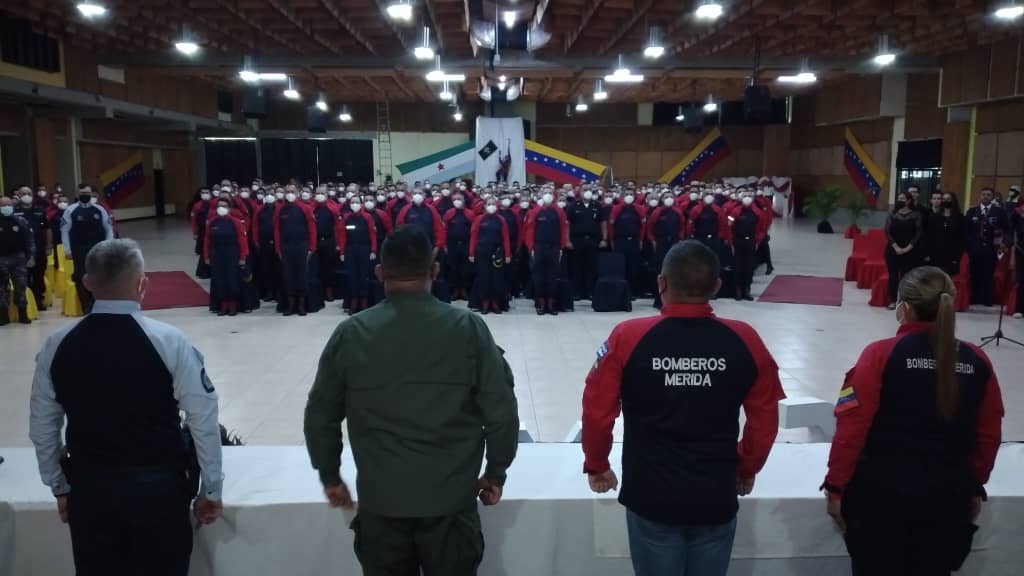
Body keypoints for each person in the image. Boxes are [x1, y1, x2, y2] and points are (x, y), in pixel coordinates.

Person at [303, 225, 519, 576]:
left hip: (382, 504)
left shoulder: (352, 333)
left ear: (379, 273)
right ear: (435, 270)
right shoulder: (468, 328)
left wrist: (330, 475)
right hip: (450, 503)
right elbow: (502, 411)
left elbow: (320, 415)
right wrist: (496, 473)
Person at [582, 240, 784, 576]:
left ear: (661, 283)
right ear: (716, 287)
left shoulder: (628, 337)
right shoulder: (745, 340)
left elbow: (596, 412)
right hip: (716, 494)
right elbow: (764, 421)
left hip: (651, 496)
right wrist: (746, 467)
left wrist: (597, 464)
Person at [29, 239, 224, 576]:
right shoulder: (169, 341)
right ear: (142, 284)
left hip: (91, 489)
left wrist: (59, 486)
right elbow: (202, 419)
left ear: (87, 283)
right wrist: (211, 489)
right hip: (159, 491)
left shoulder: (56, 344)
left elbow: (42, 426)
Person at [823, 266, 1004, 576]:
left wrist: (835, 487)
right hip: (948, 501)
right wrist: (974, 485)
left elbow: (851, 430)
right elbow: (989, 435)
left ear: (903, 309)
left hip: (880, 503)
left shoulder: (880, 355)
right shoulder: (977, 360)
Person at [61, 184, 114, 313]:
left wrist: (108, 246)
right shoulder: (70, 210)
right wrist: (67, 250)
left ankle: (98, 304)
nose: (85, 195)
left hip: (98, 249)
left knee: (99, 276)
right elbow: (64, 231)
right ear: (77, 194)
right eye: (82, 193)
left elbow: (109, 229)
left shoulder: (100, 210)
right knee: (81, 276)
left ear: (91, 194)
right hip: (79, 249)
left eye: (87, 193)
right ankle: (86, 306)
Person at [273, 187, 317, 316]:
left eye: (292, 192)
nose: (290, 194)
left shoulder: (305, 208)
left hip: (302, 246)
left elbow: (312, 229)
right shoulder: (280, 209)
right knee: (288, 276)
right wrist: (278, 248)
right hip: (286, 247)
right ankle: (291, 305)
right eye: (287, 192)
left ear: (297, 193)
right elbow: (277, 230)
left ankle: (301, 305)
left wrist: (311, 248)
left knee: (302, 275)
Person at [964, 187, 1009, 307]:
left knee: (988, 274)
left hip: (991, 248)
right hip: (974, 248)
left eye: (988, 195)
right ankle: (974, 298)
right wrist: (968, 246)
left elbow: (1007, 229)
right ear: (980, 196)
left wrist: (1004, 243)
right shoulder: (972, 211)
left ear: (992, 197)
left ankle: (987, 298)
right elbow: (966, 230)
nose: (985, 197)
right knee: (974, 273)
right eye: (983, 194)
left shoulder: (999, 212)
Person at [204, 198, 250, 316]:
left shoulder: (236, 222)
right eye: (219, 206)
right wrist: (206, 256)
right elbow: (207, 239)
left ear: (229, 208)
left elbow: (242, 240)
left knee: (232, 279)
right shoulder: (212, 222)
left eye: (224, 206)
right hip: (216, 253)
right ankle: (223, 305)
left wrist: (243, 257)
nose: (221, 208)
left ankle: (233, 305)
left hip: (232, 253)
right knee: (219, 279)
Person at [525, 192, 568, 315]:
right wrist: (531, 247)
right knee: (538, 276)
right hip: (539, 247)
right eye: (545, 193)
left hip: (554, 247)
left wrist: (562, 246)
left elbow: (563, 229)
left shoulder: (559, 212)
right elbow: (529, 230)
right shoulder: (535, 211)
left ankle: (551, 304)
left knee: (553, 276)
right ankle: (541, 303)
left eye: (549, 193)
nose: (547, 195)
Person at [336, 197, 378, 314]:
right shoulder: (346, 217)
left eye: (357, 202)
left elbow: (372, 234)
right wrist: (342, 252)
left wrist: (373, 250)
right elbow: (342, 236)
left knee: (364, 276)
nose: (355, 204)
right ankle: (354, 304)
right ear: (350, 204)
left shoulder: (367, 217)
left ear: (361, 204)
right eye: (353, 202)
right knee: (352, 277)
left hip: (364, 249)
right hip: (350, 250)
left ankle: (364, 304)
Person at [470, 197, 512, 314]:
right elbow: (474, 236)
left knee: (497, 278)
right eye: (489, 204)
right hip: (482, 252)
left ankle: (495, 302)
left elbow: (506, 238)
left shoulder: (501, 219)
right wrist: (471, 253)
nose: (491, 206)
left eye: (493, 204)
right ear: (485, 206)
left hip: (497, 252)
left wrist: (507, 254)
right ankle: (484, 303)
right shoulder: (479, 219)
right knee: (484, 277)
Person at [884, 191, 924, 309]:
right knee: (893, 276)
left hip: (910, 250)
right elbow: (887, 232)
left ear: (908, 201)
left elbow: (918, 233)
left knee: (906, 276)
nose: (899, 201)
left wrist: (908, 248)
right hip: (893, 249)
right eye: (899, 198)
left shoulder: (916, 215)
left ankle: (904, 301)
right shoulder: (892, 213)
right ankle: (892, 300)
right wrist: (896, 247)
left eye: (902, 199)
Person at [645, 194, 686, 308]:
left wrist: (680, 239)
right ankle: (659, 299)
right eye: (666, 197)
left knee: (674, 270)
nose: (669, 199)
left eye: (671, 197)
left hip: (674, 242)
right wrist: (653, 241)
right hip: (660, 243)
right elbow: (649, 228)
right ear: (662, 199)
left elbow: (682, 227)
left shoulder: (678, 212)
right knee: (660, 271)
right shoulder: (657, 212)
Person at [14, 186, 51, 310]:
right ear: (19, 195)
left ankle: (38, 300)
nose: (26, 196)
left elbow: (47, 229)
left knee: (39, 276)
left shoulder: (39, 210)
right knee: (24, 278)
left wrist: (49, 246)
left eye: (29, 193)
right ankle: (28, 303)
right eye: (23, 193)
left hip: (39, 249)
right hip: (21, 251)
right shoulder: (14, 211)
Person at [0, 196, 35, 325]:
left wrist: (31, 256)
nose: (6, 208)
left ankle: (23, 314)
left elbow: (30, 240)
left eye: (9, 205)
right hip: (1, 259)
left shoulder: (21, 221)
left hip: (18, 258)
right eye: (3, 206)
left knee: (21, 286)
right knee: (2, 288)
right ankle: (3, 316)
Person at [727, 191, 768, 301]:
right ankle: (738, 290)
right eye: (745, 196)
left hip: (751, 241)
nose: (747, 198)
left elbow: (762, 229)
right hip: (737, 241)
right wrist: (731, 241)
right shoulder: (734, 211)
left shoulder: (758, 212)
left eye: (749, 196)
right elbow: (729, 225)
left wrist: (757, 240)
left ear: (753, 198)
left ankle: (747, 290)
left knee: (749, 267)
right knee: (738, 266)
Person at [566, 188, 605, 301]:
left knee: (592, 267)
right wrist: (567, 240)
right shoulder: (573, 206)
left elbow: (603, 222)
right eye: (584, 190)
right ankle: (576, 292)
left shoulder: (597, 205)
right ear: (580, 192)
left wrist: (604, 238)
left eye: (589, 190)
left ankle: (591, 292)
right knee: (576, 267)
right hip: (577, 240)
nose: (587, 192)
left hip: (593, 240)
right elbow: (567, 224)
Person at [608, 192, 647, 296]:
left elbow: (643, 226)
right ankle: (620, 292)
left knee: (633, 267)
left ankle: (632, 291)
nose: (629, 196)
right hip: (620, 241)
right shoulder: (616, 208)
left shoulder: (639, 208)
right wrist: (612, 240)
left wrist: (640, 240)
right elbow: (611, 226)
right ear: (622, 196)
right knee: (620, 267)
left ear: (634, 196)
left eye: (631, 194)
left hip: (634, 241)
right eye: (627, 194)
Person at [443, 194, 475, 301]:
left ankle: (464, 290)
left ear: (464, 200)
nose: (457, 201)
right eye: (455, 199)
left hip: (466, 244)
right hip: (452, 245)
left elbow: (474, 231)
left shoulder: (470, 214)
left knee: (466, 268)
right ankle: (455, 290)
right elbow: (444, 230)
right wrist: (445, 245)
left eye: (459, 199)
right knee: (453, 268)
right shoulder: (449, 213)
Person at [926, 191, 966, 276]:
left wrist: (957, 257)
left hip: (952, 255)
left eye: (948, 199)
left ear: (953, 200)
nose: (946, 201)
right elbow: (929, 236)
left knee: (948, 279)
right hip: (935, 254)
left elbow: (962, 238)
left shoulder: (960, 217)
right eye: (944, 199)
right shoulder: (934, 217)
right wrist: (928, 253)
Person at [312, 191, 341, 302]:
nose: (319, 195)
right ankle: (318, 293)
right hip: (315, 241)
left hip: (329, 241)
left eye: (322, 193)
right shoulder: (312, 208)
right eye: (318, 193)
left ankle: (329, 291)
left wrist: (338, 243)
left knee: (328, 268)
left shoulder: (332, 208)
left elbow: (338, 227)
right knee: (316, 268)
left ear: (326, 195)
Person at [253, 193, 280, 302]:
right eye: (267, 194)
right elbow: (255, 225)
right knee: (266, 269)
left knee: (278, 269)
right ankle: (269, 292)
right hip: (264, 243)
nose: (269, 196)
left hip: (277, 243)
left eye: (271, 194)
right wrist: (256, 241)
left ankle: (278, 293)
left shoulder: (280, 209)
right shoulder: (260, 210)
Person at [190, 188, 213, 279]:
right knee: (203, 252)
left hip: (212, 231)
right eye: (203, 193)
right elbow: (194, 220)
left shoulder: (214, 204)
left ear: (210, 193)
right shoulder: (197, 205)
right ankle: (202, 272)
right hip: (202, 231)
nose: (205, 194)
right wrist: (195, 232)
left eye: (207, 192)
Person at [1011, 200, 1024, 319]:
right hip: (1021, 250)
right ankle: (1020, 309)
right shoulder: (1018, 212)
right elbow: (1011, 228)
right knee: (1022, 280)